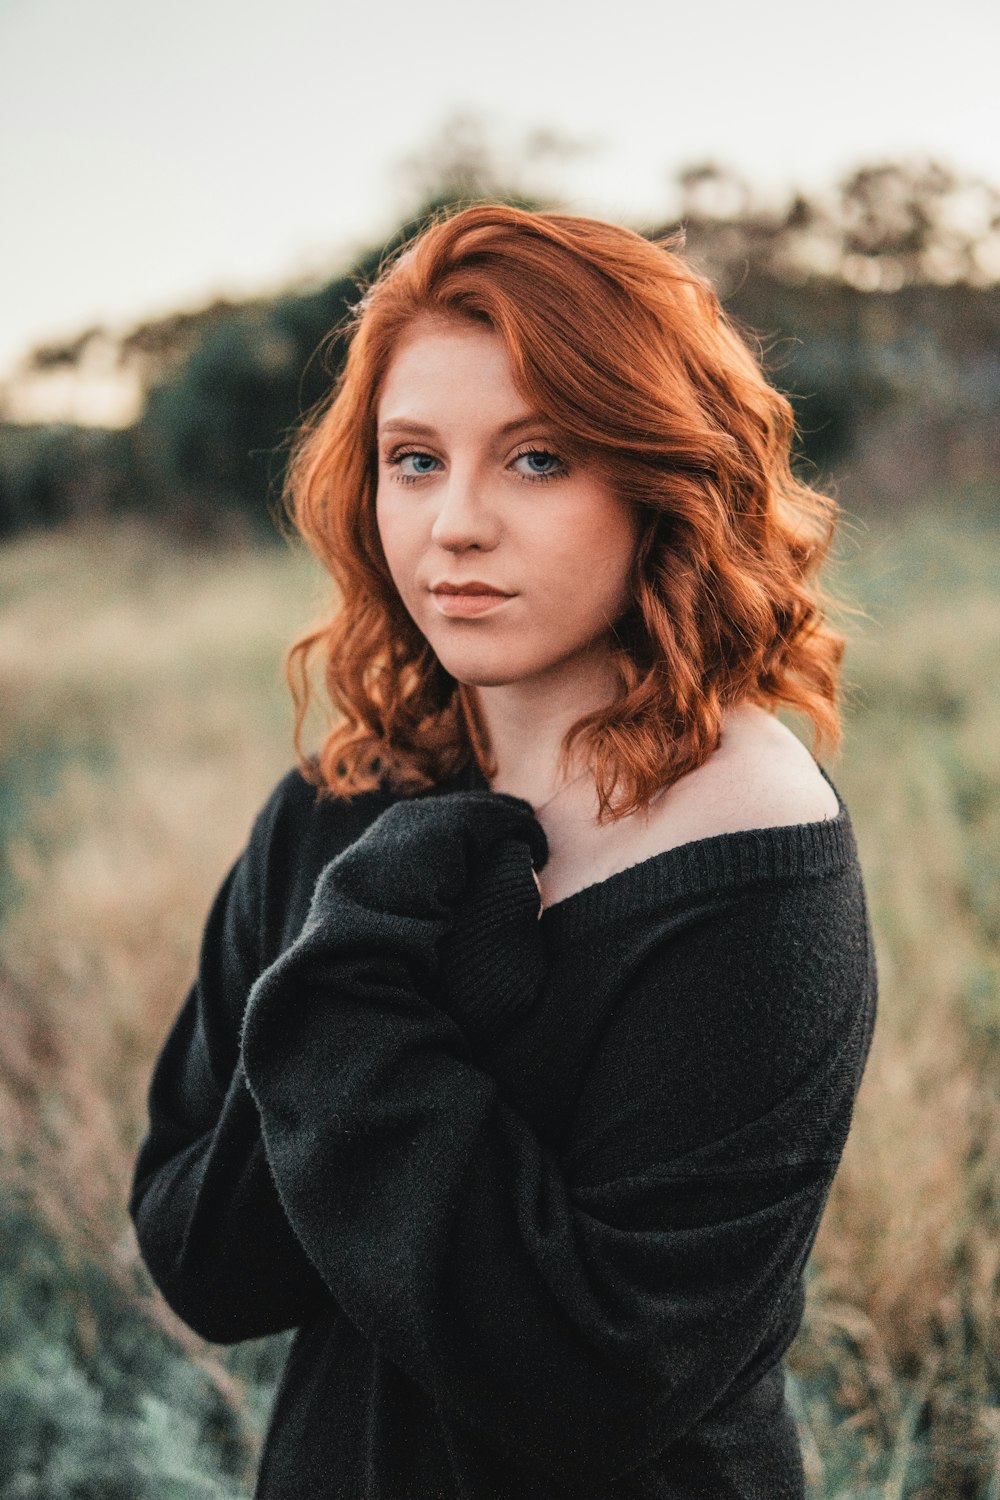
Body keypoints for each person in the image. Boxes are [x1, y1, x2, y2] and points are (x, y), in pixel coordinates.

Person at [130, 203, 877, 1499]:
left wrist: (353, 998)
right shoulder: (341, 806)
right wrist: (359, 934)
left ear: (658, 477)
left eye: (536, 460)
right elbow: (203, 1258)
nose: (454, 525)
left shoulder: (755, 857)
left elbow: (594, 1388)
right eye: (413, 459)